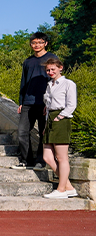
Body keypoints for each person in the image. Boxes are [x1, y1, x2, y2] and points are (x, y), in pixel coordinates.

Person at [14, 32, 58, 170]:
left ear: (45, 43)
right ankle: (26, 161)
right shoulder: (28, 61)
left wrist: (51, 103)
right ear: (30, 44)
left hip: (45, 102)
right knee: (22, 132)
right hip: (28, 102)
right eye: (34, 43)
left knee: (43, 133)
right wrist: (21, 101)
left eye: (39, 42)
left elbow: (56, 80)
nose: (36, 45)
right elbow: (23, 82)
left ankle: (41, 161)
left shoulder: (52, 58)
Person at [41, 58, 78, 199]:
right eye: (48, 70)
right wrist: (47, 123)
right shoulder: (49, 84)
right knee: (47, 157)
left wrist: (60, 117)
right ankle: (68, 187)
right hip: (49, 119)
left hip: (61, 118)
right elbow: (48, 105)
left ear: (60, 68)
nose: (50, 72)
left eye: (53, 69)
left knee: (62, 157)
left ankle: (61, 189)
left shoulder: (69, 84)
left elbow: (71, 104)